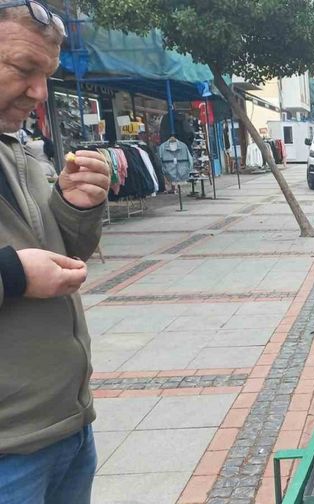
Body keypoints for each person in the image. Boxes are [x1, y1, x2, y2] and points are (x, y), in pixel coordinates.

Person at [0, 4, 111, 503]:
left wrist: (74, 207)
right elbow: (24, 268)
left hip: (65, 428)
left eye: (47, 74)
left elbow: (59, 256)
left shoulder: (18, 148)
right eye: (25, 69)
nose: (40, 92)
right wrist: (13, 274)